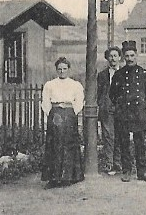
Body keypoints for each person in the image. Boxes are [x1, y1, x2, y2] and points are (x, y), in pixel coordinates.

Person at [110, 40, 146, 182]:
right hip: (124, 113)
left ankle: (142, 172)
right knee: (124, 143)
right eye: (127, 56)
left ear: (136, 56)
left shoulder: (144, 73)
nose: (129, 58)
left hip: (138, 113)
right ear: (123, 57)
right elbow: (112, 94)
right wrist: (121, 105)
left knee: (140, 144)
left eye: (132, 55)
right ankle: (127, 171)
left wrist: (142, 105)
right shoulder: (119, 74)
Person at [40, 57, 85, 188]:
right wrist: (52, 114)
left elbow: (79, 101)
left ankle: (68, 177)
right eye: (59, 69)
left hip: (69, 115)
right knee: (54, 145)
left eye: (64, 69)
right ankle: (53, 178)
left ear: (68, 70)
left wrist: (71, 113)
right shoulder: (50, 85)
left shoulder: (75, 84)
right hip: (55, 115)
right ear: (56, 70)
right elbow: (45, 102)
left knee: (69, 144)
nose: (62, 71)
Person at [96, 46, 124, 175]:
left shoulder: (125, 73)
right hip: (107, 107)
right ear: (107, 58)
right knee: (108, 136)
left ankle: (118, 163)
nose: (113, 58)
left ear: (119, 57)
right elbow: (99, 92)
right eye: (110, 56)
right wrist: (102, 104)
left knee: (120, 135)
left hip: (121, 108)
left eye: (115, 56)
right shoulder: (102, 75)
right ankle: (109, 164)